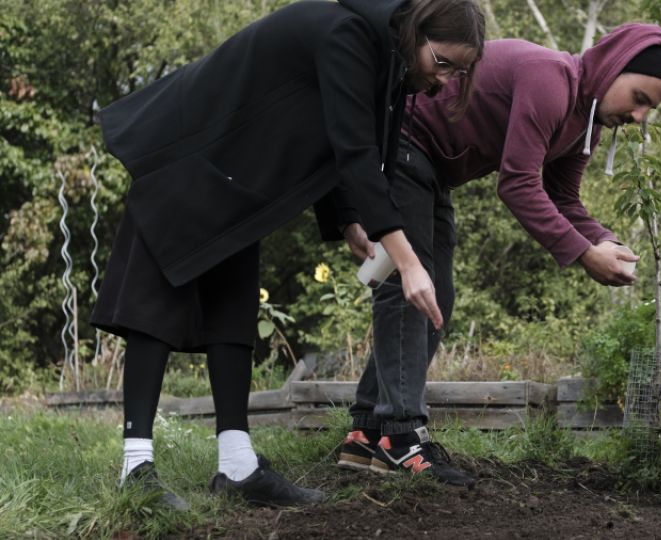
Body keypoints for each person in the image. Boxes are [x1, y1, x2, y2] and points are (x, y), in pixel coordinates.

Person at [91, 0, 485, 509]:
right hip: (187, 149)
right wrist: (408, 262)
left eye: (459, 71)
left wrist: (348, 218)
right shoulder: (348, 36)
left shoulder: (385, 58)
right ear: (417, 33)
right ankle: (135, 469)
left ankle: (238, 466)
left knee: (232, 312)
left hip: (238, 173)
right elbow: (354, 152)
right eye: (443, 62)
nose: (446, 80)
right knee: (155, 305)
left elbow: (344, 136)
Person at [334, 24, 661, 487]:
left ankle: (366, 432)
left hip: (432, 169)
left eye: (649, 109)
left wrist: (606, 240)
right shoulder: (551, 81)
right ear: (614, 68)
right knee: (408, 290)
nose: (639, 116)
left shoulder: (585, 123)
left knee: (438, 301)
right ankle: (399, 437)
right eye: (639, 97)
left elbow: (564, 199)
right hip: (405, 144)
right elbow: (517, 184)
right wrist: (582, 255)